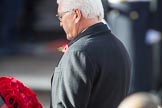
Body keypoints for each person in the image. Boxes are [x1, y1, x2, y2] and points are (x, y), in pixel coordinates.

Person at [51, 0, 131, 108]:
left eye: (61, 16)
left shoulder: (78, 53)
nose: (60, 23)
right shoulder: (119, 46)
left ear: (76, 15)